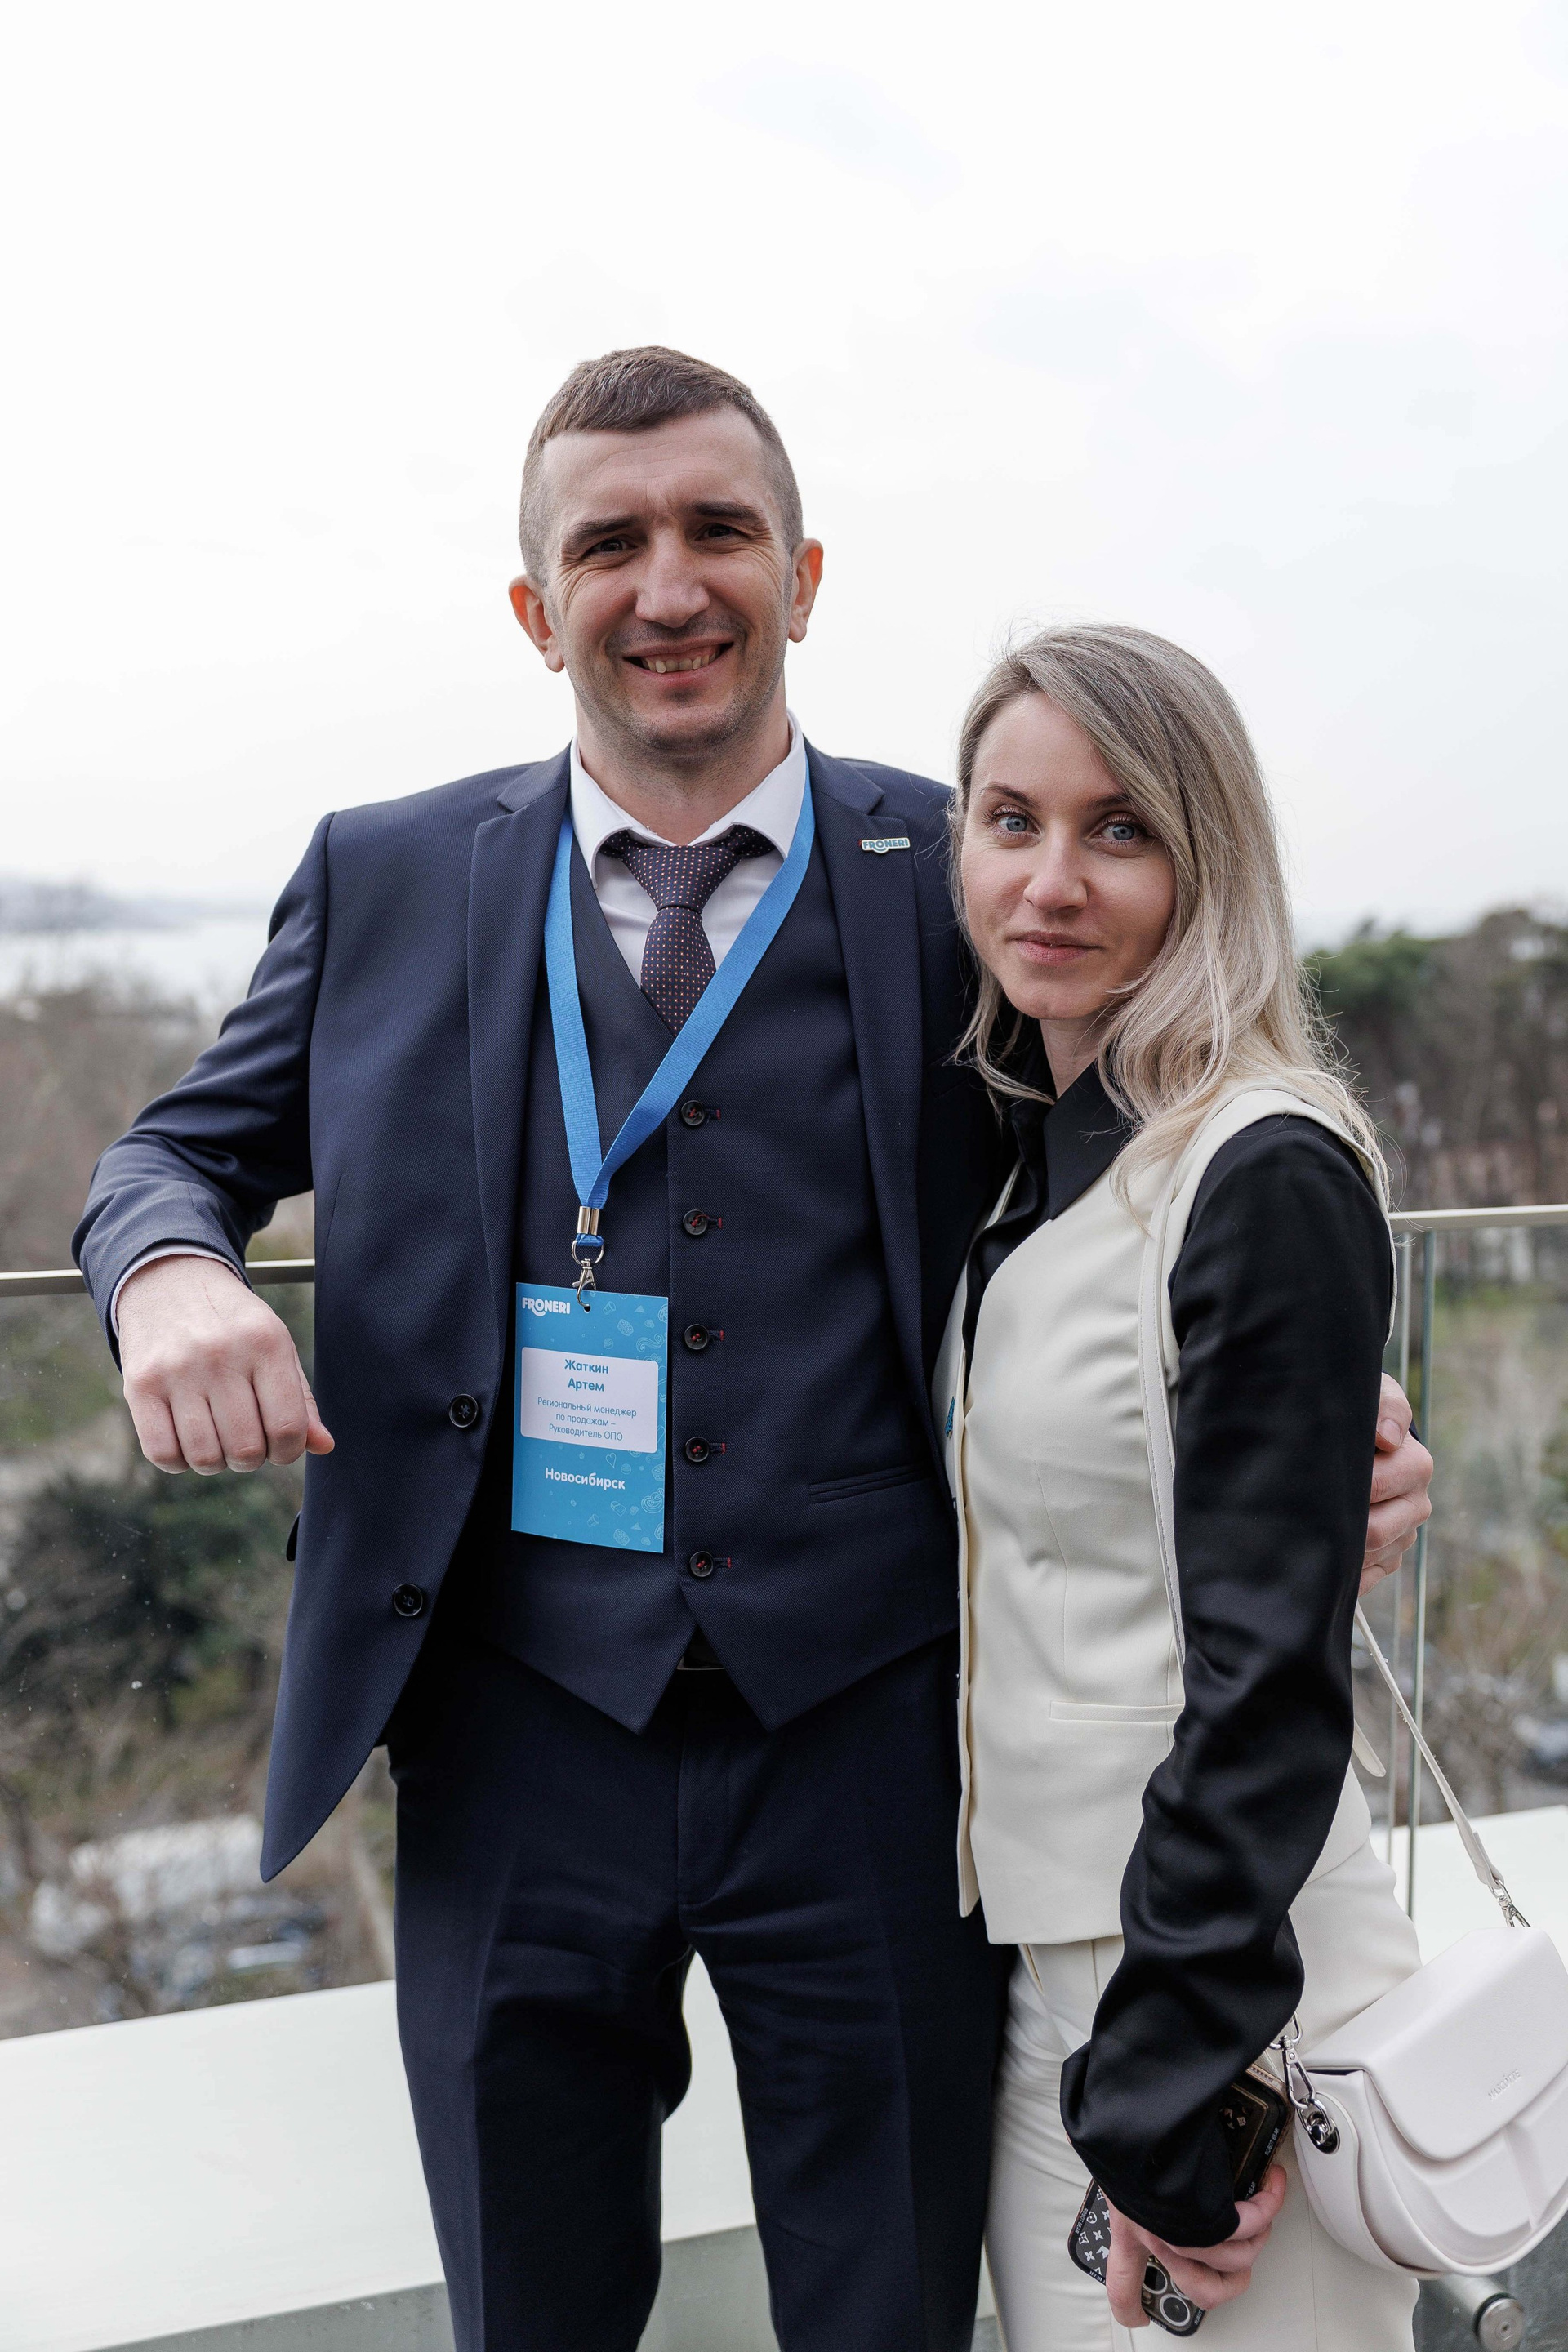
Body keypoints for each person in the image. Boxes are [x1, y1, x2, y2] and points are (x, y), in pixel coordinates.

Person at [73, 351, 1431, 2352]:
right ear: (535, 606)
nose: (667, 585)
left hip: (876, 1747)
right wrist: (169, 1272)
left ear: (800, 576)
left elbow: (1167, 1176)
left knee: (886, 2314)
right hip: (511, 1740)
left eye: (718, 531)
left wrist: (1293, 1446)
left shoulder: (966, 867)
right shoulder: (387, 874)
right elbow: (171, 1154)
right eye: (606, 544)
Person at [938, 624, 1425, 2349]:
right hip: (1065, 1979)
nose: (1051, 881)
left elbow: (1268, 1674)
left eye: (1121, 829)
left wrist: (1174, 2071)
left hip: (1221, 1997)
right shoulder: (1052, 1155)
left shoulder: (1262, 1163)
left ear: (1206, 862)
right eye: (1011, 820)